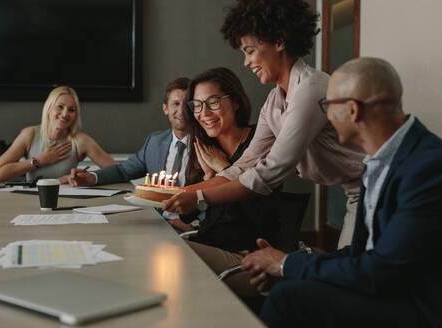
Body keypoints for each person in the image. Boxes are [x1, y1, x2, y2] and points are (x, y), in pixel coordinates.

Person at [242, 57, 442, 327]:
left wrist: (288, 265)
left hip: (417, 307)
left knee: (287, 299)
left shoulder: (427, 166)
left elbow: (384, 271)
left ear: (352, 110)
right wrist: (289, 266)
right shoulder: (376, 161)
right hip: (384, 290)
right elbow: (359, 253)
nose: (324, 114)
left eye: (327, 105)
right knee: (289, 291)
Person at [163, 0, 365, 248]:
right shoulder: (274, 101)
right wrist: (177, 194)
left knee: (354, 274)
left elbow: (269, 172)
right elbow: (244, 166)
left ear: (279, 41)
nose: (246, 62)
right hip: (356, 192)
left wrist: (199, 198)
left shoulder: (311, 90)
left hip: (380, 185)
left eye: (249, 51)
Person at [176, 67, 281, 298]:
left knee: (171, 255)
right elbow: (188, 214)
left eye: (213, 102)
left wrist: (225, 169)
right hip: (212, 244)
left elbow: (257, 208)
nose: (204, 113)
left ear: (235, 102)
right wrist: (208, 178)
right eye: (196, 105)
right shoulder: (203, 146)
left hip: (247, 255)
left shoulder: (259, 140)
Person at [68, 77, 191, 222]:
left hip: (191, 227)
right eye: (175, 104)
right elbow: (123, 170)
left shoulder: (208, 145)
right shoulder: (155, 142)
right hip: (158, 222)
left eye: (187, 103)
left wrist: (197, 227)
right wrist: (92, 178)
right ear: (165, 108)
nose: (181, 109)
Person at [0, 86, 116, 183]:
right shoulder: (29, 134)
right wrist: (40, 160)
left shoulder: (81, 140)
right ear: (49, 108)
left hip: (68, 200)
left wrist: (87, 177)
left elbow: (118, 172)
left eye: (71, 110)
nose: (65, 114)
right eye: (60, 107)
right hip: (32, 201)